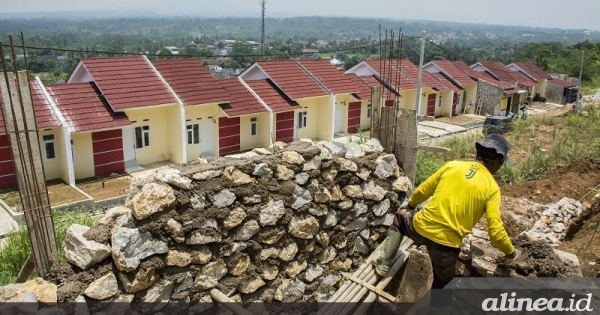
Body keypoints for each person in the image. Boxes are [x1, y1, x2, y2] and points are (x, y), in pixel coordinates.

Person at [373, 133, 518, 290]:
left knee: (401, 218)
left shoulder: (453, 166)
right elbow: (495, 232)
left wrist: (412, 206)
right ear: (497, 160)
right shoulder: (492, 188)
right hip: (446, 246)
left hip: (420, 228)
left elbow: (422, 191)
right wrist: (511, 253)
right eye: (501, 163)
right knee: (443, 285)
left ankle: (383, 263)